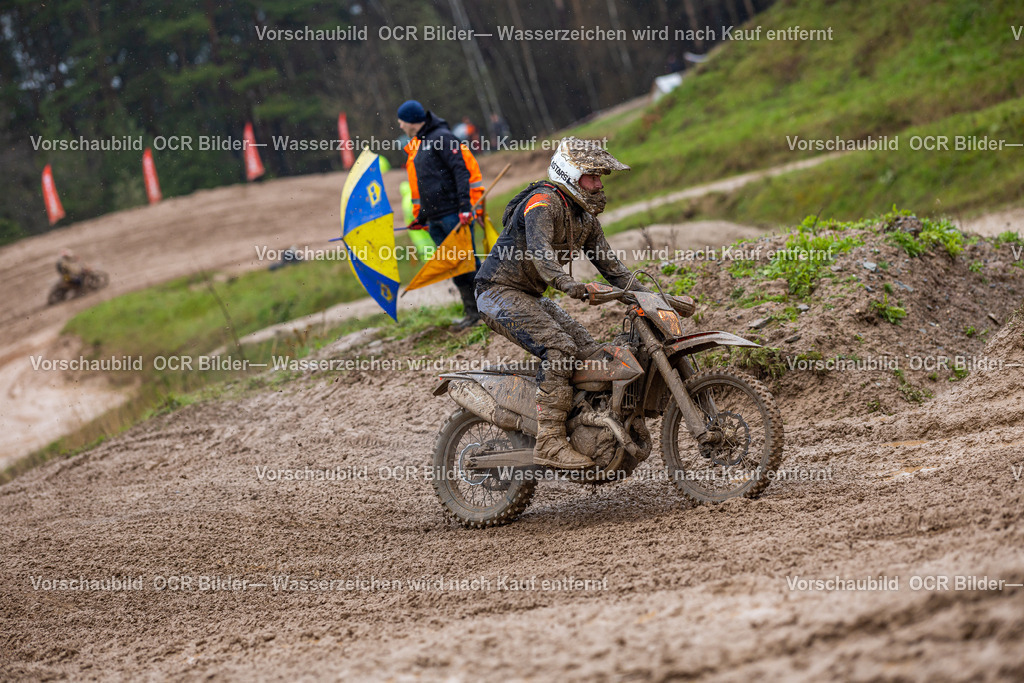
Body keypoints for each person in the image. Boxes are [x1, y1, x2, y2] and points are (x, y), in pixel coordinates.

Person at [475, 137, 691, 470]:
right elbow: (541, 255)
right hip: (496, 292)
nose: (599, 184)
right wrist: (571, 285)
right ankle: (549, 441)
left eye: (600, 177)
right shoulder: (542, 203)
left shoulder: (585, 220)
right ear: (570, 175)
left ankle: (586, 427)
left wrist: (657, 299)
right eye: (592, 176)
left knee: (590, 352)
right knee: (560, 348)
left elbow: (616, 272)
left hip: (529, 296)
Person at [398, 100, 485, 330]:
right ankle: (472, 313)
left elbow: (460, 171)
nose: (400, 126)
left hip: (453, 215)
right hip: (435, 219)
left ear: (410, 120)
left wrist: (465, 207)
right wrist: (421, 218)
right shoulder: (421, 143)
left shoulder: (442, 137)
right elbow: (428, 185)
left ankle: (488, 310)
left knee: (468, 265)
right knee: (455, 267)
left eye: (401, 121)